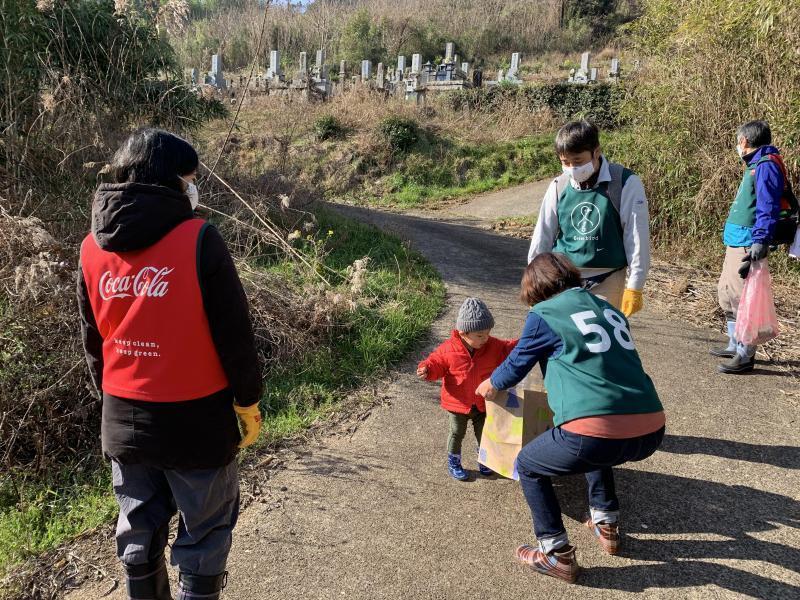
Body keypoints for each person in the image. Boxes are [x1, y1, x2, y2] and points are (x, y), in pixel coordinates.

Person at [77, 128, 264, 600]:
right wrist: (248, 401)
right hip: (196, 421)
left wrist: (111, 404)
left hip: (123, 418)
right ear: (173, 179)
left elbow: (93, 342)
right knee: (204, 534)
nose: (193, 186)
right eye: (190, 178)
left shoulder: (91, 248)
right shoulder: (199, 238)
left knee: (137, 531)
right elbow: (234, 334)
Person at [476, 253, 665, 583]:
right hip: (651, 427)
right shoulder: (608, 308)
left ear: (537, 290)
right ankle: (606, 520)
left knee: (530, 464)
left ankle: (556, 553)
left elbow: (515, 366)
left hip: (597, 432)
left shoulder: (544, 313)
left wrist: (490, 384)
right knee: (595, 439)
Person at [528, 120, 651, 317]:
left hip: (608, 279)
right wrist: (535, 281)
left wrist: (635, 286)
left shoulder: (624, 183)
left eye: (577, 161)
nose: (571, 168)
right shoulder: (559, 185)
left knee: (602, 341)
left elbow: (636, 237)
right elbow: (543, 234)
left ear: (596, 152)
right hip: (563, 279)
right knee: (564, 340)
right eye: (565, 162)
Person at [713, 120, 788, 374]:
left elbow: (768, 206)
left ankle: (745, 355)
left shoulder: (766, 166)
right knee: (727, 292)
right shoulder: (756, 164)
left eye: (738, 140)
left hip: (747, 241)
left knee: (742, 297)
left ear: (744, 141)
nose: (738, 145)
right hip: (737, 238)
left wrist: (760, 239)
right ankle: (734, 344)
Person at [417, 298, 517, 481]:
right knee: (456, 432)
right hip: (457, 403)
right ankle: (453, 461)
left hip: (482, 401)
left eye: (488, 333)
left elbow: (509, 347)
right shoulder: (448, 349)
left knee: (485, 433)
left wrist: (527, 342)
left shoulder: (493, 346)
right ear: (463, 332)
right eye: (480, 335)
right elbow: (436, 363)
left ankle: (485, 460)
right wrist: (427, 369)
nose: (485, 338)